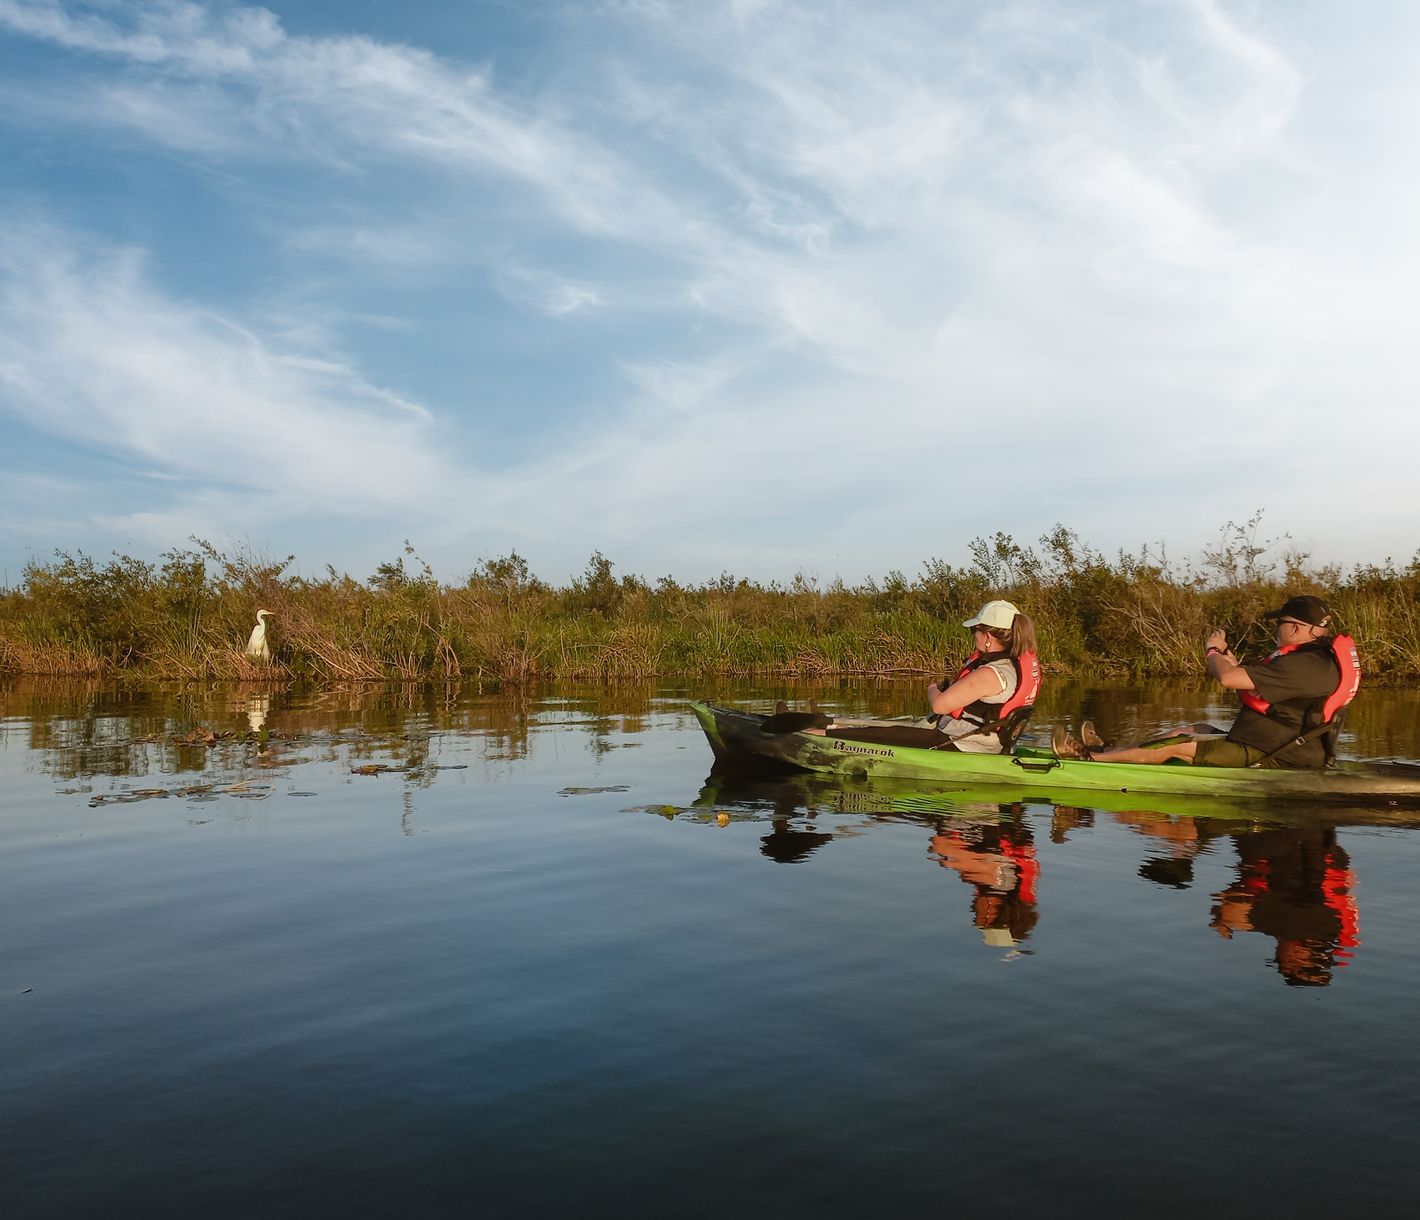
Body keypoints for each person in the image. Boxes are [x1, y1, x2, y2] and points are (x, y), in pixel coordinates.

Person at [1053, 594, 1360, 769]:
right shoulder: (1313, 660)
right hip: (1266, 743)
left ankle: (1089, 760)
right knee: (1191, 730)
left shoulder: (1303, 666)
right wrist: (1226, 653)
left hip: (1272, 756)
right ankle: (1110, 752)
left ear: (1295, 628)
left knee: (1177, 745)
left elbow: (1227, 678)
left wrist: (1212, 651)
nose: (1276, 629)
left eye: (1279, 623)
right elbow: (1244, 678)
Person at [807, 599, 1041, 753]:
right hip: (983, 741)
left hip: (965, 743)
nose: (973, 636)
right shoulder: (1011, 665)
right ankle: (826, 725)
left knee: (887, 736)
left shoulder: (990, 673)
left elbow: (939, 705)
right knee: (894, 728)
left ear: (989, 636)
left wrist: (932, 689)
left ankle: (817, 737)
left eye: (975, 630)